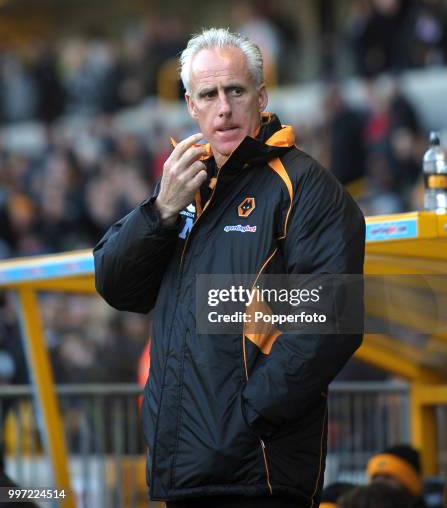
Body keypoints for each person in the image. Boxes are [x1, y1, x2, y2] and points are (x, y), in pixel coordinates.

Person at [94, 28, 365, 507]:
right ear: (191, 105)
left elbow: (328, 321)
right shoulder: (183, 189)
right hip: (182, 472)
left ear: (261, 96)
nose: (223, 107)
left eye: (235, 90)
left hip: (258, 473)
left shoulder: (304, 186)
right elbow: (117, 286)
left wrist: (247, 415)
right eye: (209, 95)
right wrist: (159, 210)